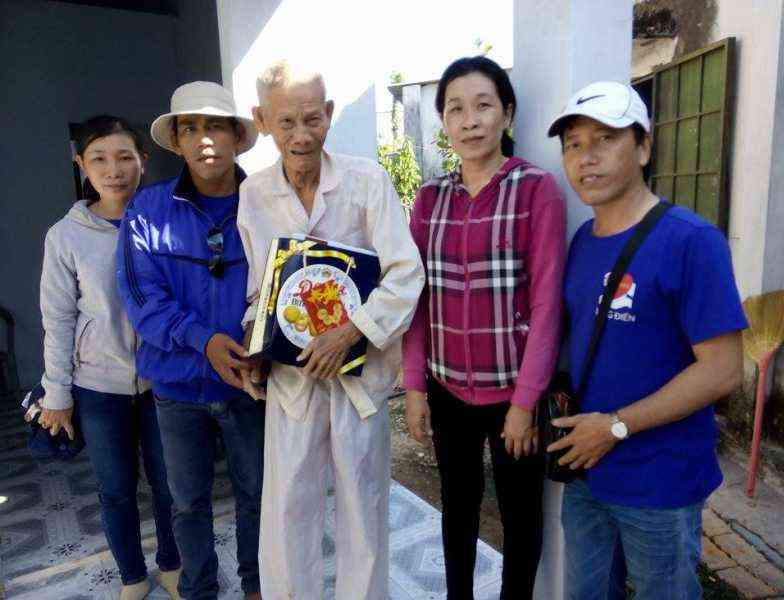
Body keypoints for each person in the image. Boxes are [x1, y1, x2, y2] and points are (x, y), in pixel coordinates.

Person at [546, 81, 747, 600]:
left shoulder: (691, 241)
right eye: (573, 144)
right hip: (586, 472)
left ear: (643, 147)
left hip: (661, 481)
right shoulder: (582, 241)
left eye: (605, 139)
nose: (586, 158)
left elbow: (724, 369)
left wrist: (615, 427)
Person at [238, 59, 424, 599]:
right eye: (286, 122)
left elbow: (405, 273)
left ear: (330, 113)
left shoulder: (366, 181)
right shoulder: (255, 194)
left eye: (312, 119)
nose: (301, 135)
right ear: (262, 121)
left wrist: (352, 331)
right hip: (293, 382)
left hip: (357, 381)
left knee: (363, 511)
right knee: (287, 512)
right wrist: (255, 343)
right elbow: (259, 290)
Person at [402, 55, 566, 600]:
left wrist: (525, 403)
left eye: (483, 106)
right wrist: (415, 387)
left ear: (507, 114)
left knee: (520, 515)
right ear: (444, 122)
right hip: (447, 388)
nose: (469, 121)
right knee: (458, 506)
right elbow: (417, 300)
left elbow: (546, 304)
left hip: (513, 394)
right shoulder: (430, 199)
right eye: (455, 109)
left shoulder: (535, 190)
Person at [116, 82, 264, 600]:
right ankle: (200, 591)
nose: (203, 139)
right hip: (177, 390)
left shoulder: (265, 205)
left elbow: (281, 286)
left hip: (250, 386)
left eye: (215, 126)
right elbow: (143, 300)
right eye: (190, 128)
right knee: (188, 504)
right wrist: (204, 341)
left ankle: (257, 586)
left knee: (258, 496)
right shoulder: (146, 211)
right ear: (176, 141)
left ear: (237, 137)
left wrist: (258, 345)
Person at [39, 115, 181, 600]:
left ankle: (171, 564)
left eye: (124, 157)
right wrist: (57, 393)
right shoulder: (66, 236)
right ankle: (132, 576)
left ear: (144, 161)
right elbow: (58, 318)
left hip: (163, 381)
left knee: (170, 484)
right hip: (98, 387)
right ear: (81, 164)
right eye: (99, 158)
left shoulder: (164, 221)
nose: (113, 169)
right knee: (116, 490)